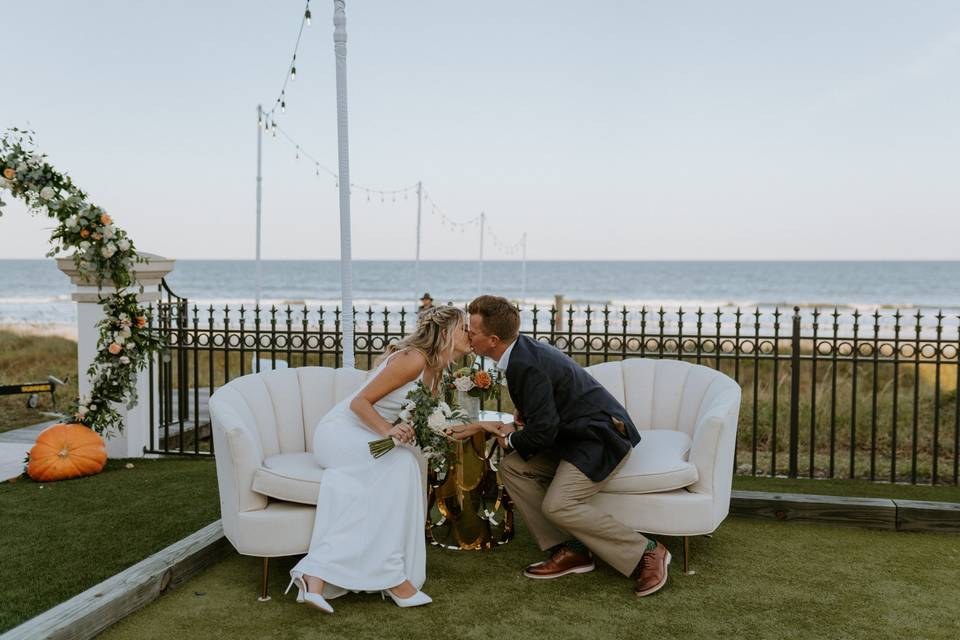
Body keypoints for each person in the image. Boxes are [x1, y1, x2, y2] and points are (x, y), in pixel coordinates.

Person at [452, 295, 671, 597]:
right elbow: (545, 412)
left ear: (492, 339)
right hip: (570, 437)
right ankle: (573, 550)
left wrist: (510, 437)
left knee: (558, 504)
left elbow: (543, 430)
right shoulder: (519, 353)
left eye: (471, 331)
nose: (467, 335)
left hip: (598, 439)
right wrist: (522, 420)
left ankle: (647, 550)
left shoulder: (524, 363)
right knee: (513, 467)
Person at [287, 305, 472, 613]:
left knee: (403, 468)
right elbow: (359, 403)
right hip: (340, 434)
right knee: (400, 466)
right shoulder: (413, 358)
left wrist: (478, 427)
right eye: (464, 328)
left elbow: (425, 418)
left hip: (369, 438)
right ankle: (392, 579)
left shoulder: (438, 371)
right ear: (445, 333)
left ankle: (318, 573)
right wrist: (390, 429)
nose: (469, 333)